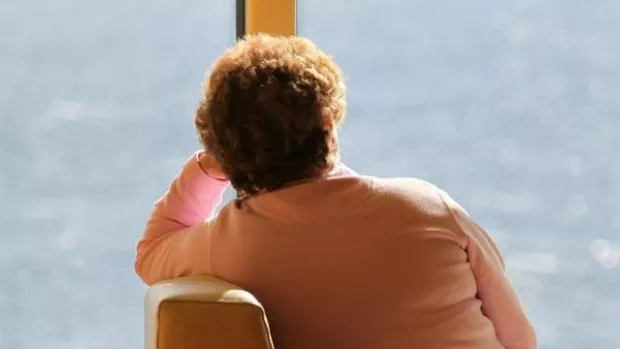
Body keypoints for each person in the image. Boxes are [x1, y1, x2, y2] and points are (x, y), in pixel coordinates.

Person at [135, 34, 537, 349]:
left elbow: (152, 251)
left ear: (224, 149)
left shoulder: (226, 246)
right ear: (328, 122)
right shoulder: (428, 207)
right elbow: (520, 340)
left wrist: (206, 168)